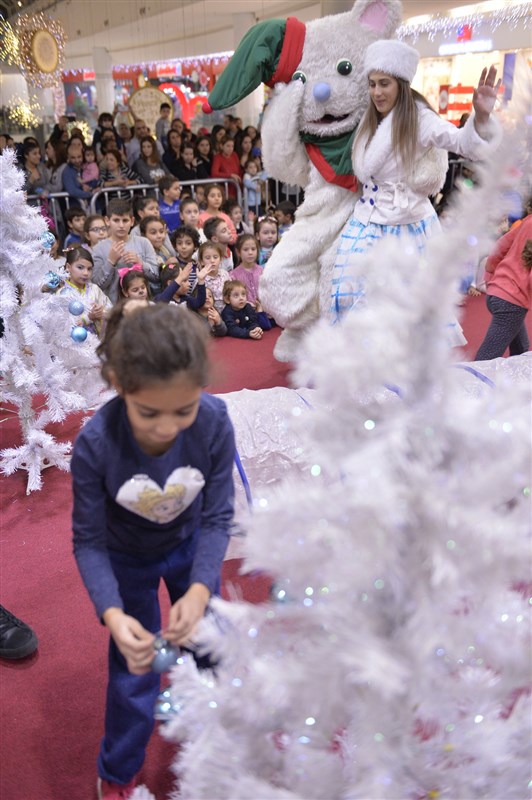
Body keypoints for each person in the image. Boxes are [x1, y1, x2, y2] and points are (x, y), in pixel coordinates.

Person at [71, 303, 235, 799]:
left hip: (190, 549)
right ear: (119, 383)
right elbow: (89, 541)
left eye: (183, 410)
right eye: (149, 413)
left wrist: (203, 586)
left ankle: (218, 741)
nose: (167, 429)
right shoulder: (95, 444)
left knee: (213, 648)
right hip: (125, 561)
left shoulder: (213, 421)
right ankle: (118, 772)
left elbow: (217, 515)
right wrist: (114, 616)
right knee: (134, 670)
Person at [331, 39, 501, 324]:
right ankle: (363, 366)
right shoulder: (369, 121)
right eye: (372, 84)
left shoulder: (421, 120)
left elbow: (463, 143)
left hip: (407, 229)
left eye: (384, 83)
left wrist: (481, 117)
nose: (376, 91)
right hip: (365, 224)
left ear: (401, 83)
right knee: (349, 299)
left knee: (407, 313)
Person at [475, 215, 532, 361]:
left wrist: (489, 276)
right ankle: (471, 383)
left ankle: (518, 381)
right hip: (512, 302)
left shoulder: (528, 220)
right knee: (486, 358)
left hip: (497, 291)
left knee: (521, 349)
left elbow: (501, 245)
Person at [92, 199, 159, 303]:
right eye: (116, 220)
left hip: (143, 306)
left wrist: (140, 263)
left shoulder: (144, 243)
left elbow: (156, 277)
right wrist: (110, 262)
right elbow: (97, 285)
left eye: (125, 220)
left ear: (132, 221)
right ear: (107, 221)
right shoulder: (98, 249)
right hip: (113, 308)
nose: (121, 225)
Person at [57, 246, 111, 338]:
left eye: (89, 269)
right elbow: (60, 324)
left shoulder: (95, 289)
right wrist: (88, 318)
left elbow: (111, 310)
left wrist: (102, 312)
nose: (86, 273)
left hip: (96, 342)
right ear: (68, 267)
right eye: (80, 267)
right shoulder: (62, 293)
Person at [198, 241, 230, 313]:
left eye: (215, 257)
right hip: (208, 314)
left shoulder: (225, 274)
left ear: (221, 259)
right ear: (202, 261)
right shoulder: (200, 278)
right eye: (207, 258)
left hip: (228, 312)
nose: (212, 261)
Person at [232, 234, 262, 306]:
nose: (250, 253)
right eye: (246, 249)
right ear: (238, 252)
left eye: (253, 249)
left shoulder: (262, 271)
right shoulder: (233, 275)